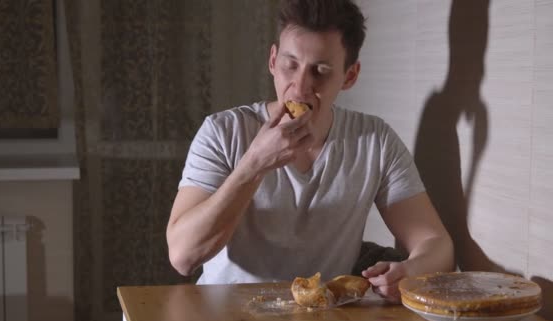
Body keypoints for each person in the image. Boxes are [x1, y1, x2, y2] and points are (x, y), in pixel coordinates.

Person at [166, 0, 454, 302]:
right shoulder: (223, 132)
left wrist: (411, 270)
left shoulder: (375, 140)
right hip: (221, 317)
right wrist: (253, 164)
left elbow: (437, 244)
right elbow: (183, 257)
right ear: (273, 61)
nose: (300, 87)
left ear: (350, 76)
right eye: (291, 65)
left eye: (320, 71)